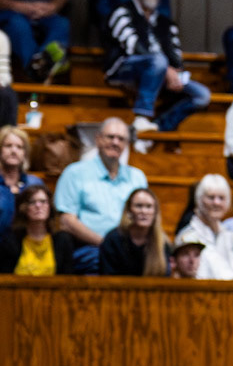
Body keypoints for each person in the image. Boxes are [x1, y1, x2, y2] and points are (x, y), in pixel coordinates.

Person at [103, 0, 210, 143]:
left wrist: (176, 72)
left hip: (160, 72)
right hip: (125, 68)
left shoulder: (166, 23)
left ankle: (157, 130)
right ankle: (141, 116)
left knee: (202, 95)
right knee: (158, 61)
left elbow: (175, 53)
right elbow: (132, 46)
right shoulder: (122, 12)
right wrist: (165, 69)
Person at [53, 117, 146, 271]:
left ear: (126, 145)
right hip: (91, 249)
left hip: (131, 249)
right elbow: (67, 221)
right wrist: (107, 245)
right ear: (98, 139)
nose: (115, 142)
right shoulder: (75, 173)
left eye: (121, 139)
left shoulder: (137, 177)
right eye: (110, 137)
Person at [174, 174, 233, 280]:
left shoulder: (232, 237)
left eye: (221, 198)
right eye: (211, 197)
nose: (216, 203)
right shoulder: (187, 236)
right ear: (199, 200)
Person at [0, 183, 76, 275]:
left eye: (43, 201)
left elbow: (67, 278)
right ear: (23, 208)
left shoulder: (62, 240)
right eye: (32, 202)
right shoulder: (11, 241)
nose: (38, 205)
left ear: (50, 206)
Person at [98, 187, 170, 277]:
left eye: (149, 206)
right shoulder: (113, 239)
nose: (144, 211)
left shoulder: (162, 242)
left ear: (155, 212)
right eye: (138, 206)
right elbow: (107, 276)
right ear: (129, 210)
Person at [0, 126, 42, 237]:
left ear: (24, 153)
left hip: (27, 244)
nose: (14, 151)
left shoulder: (35, 184)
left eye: (19, 147)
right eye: (8, 146)